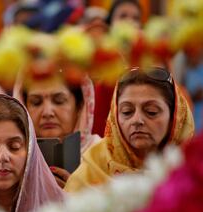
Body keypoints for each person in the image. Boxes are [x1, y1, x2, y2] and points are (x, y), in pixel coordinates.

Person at [65, 67, 195, 192]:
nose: (137, 120)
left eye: (151, 112)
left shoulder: (193, 171)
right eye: (127, 112)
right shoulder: (92, 170)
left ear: (175, 118)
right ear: (115, 117)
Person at [22, 75, 100, 188]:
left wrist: (77, 191)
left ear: (80, 106)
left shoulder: (102, 154)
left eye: (59, 101)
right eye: (36, 102)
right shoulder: (13, 156)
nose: (47, 112)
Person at [93, 0, 143, 137]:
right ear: (109, 25)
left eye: (135, 18)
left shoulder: (150, 63)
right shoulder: (97, 60)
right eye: (123, 16)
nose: (129, 22)